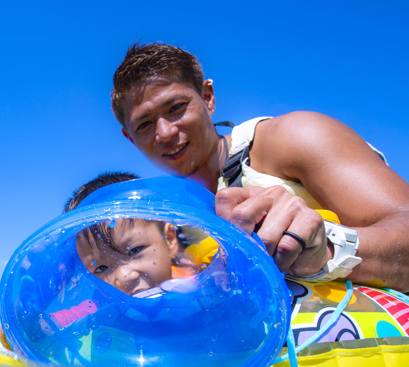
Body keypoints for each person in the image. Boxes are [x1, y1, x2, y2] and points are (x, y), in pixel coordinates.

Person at [111, 42, 409, 291]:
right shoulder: (175, 220)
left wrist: (328, 248)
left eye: (175, 108)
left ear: (207, 97)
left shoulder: (292, 137)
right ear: (130, 138)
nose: (164, 132)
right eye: (145, 124)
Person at [66, 172, 200, 298]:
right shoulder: (99, 309)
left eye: (135, 250)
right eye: (101, 268)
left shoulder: (201, 283)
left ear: (169, 240)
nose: (124, 277)